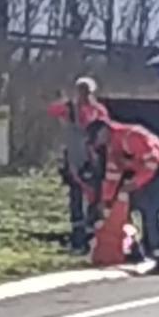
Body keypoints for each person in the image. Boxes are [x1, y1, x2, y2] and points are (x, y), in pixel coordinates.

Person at [86, 119, 159, 275]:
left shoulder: (131, 136)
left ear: (104, 131)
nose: (99, 145)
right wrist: (106, 201)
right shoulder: (113, 146)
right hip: (146, 174)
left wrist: (135, 184)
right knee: (132, 209)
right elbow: (112, 175)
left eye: (97, 139)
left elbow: (152, 162)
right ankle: (136, 251)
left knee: (151, 211)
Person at [48, 77, 110, 253]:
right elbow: (53, 110)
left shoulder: (98, 110)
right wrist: (62, 102)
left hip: (93, 158)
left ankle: (93, 237)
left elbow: (105, 128)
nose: (84, 94)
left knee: (95, 198)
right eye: (81, 90)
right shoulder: (69, 108)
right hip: (74, 158)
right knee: (76, 199)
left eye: (87, 91)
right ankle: (78, 239)